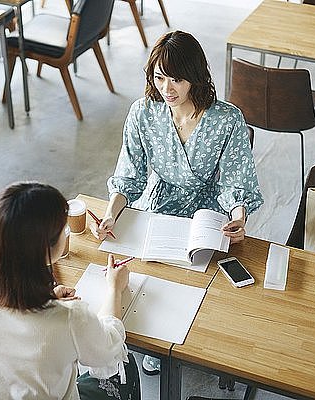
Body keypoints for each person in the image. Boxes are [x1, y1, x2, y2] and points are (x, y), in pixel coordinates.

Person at [90, 31, 264, 376]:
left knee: (202, 276)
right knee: (152, 269)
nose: (167, 88)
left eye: (176, 79)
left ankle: (197, 340)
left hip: (209, 209)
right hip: (162, 200)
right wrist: (110, 214)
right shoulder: (143, 112)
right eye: (158, 77)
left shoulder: (226, 118)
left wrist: (239, 216)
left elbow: (235, 181)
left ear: (195, 78)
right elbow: (129, 175)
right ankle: (159, 340)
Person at [0, 182, 141, 400]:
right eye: (63, 230)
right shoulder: (68, 317)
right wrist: (115, 288)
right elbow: (109, 349)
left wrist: (46, 299)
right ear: (47, 248)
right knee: (127, 366)